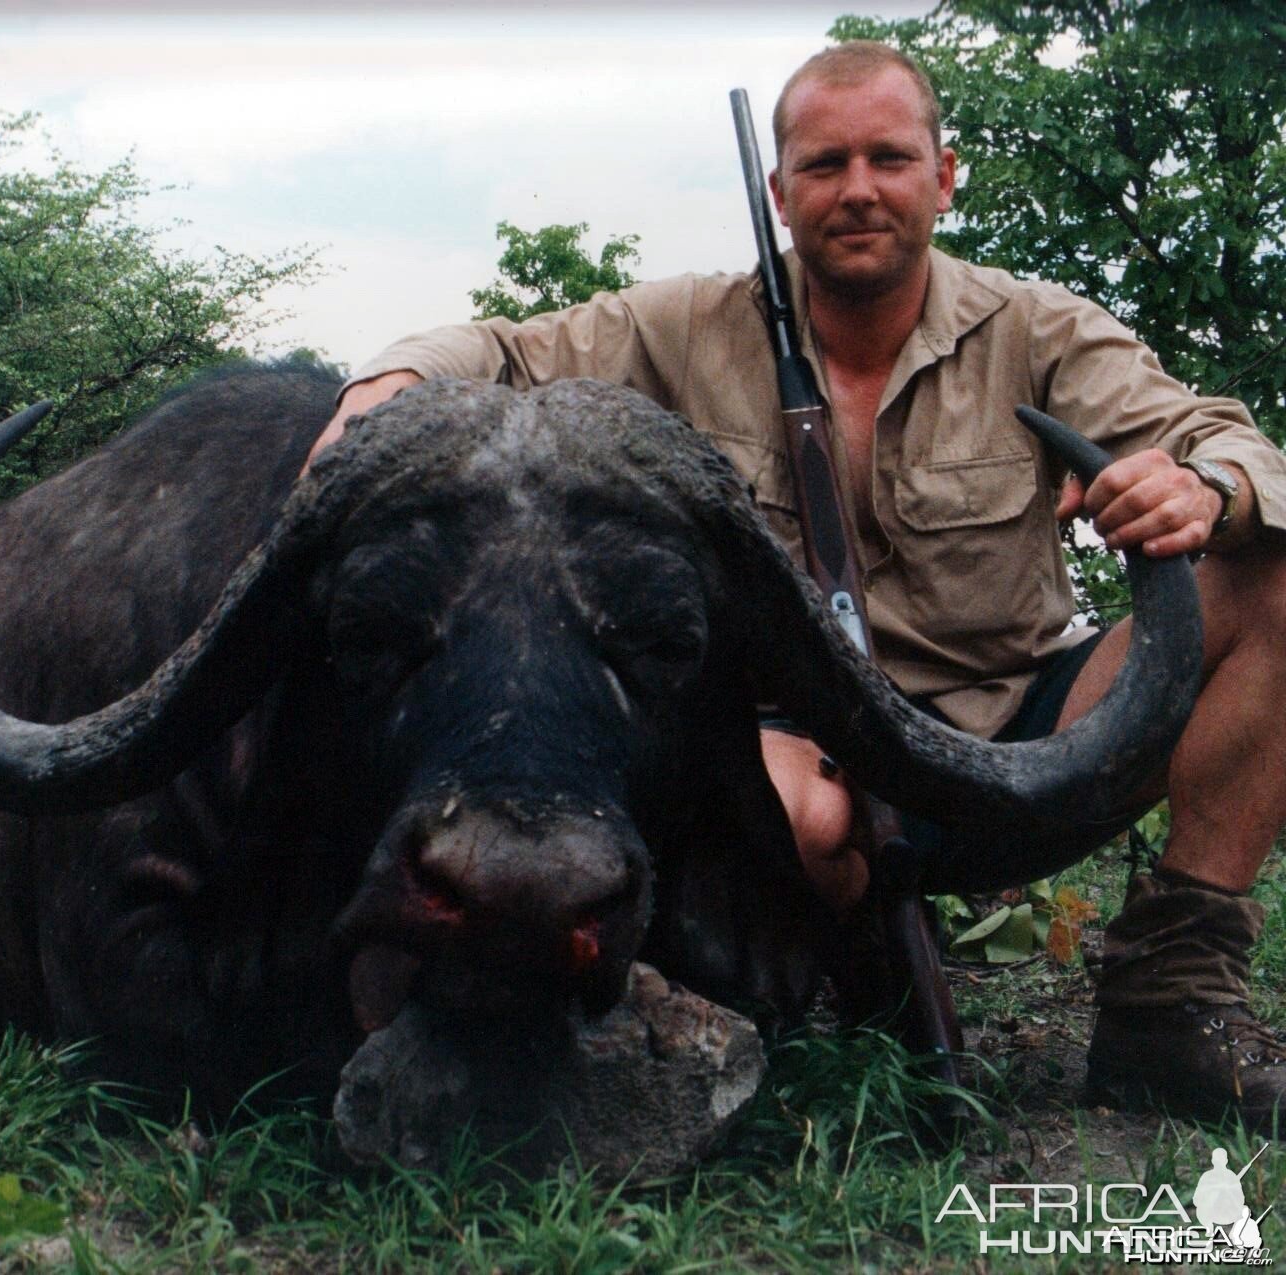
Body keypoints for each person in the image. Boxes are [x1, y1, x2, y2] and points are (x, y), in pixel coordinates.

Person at [303, 41, 1286, 1126]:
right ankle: (835, 956)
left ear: (943, 175)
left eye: (888, 158)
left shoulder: (1042, 328)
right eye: (823, 165)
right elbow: (492, 347)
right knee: (804, 817)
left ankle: (1170, 997)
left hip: (1013, 743)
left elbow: (1230, 447)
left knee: (1273, 579)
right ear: (778, 192)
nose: (857, 190)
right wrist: (387, 384)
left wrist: (1201, 490)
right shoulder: (682, 323)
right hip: (798, 756)